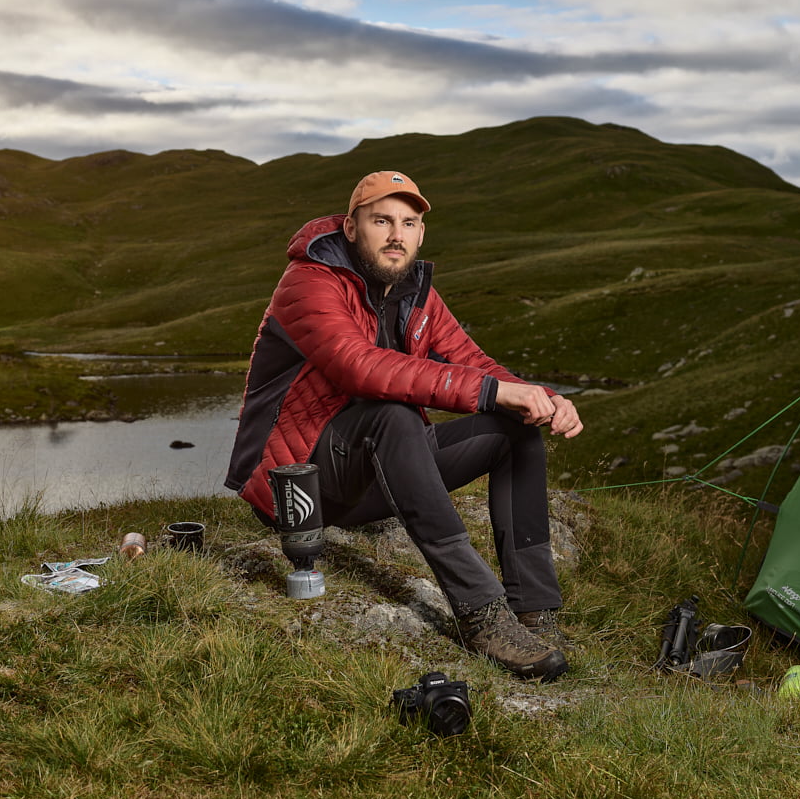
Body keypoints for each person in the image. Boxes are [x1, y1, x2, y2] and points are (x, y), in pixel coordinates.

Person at [224, 170, 583, 681]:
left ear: (420, 234)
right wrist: (495, 393)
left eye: (408, 222)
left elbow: (472, 361)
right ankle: (482, 615)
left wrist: (542, 398)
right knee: (390, 413)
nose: (396, 233)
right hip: (300, 491)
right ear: (351, 228)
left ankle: (534, 610)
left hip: (372, 474)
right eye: (381, 220)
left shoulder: (414, 291)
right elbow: (359, 368)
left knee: (515, 430)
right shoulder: (308, 282)